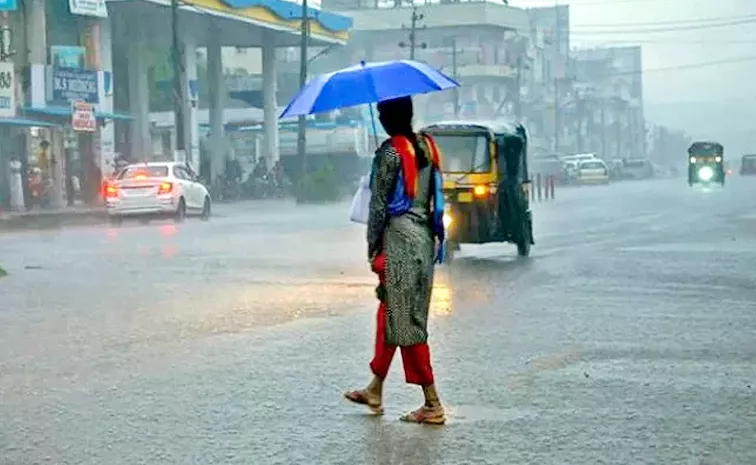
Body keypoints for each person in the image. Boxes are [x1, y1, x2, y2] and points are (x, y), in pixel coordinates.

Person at [343, 96, 447, 425]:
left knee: (405, 322)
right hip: (423, 241)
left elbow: (377, 207)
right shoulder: (428, 147)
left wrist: (373, 245)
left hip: (399, 241)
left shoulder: (389, 152)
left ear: (388, 117)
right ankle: (375, 387)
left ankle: (432, 403)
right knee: (392, 313)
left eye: (381, 113)